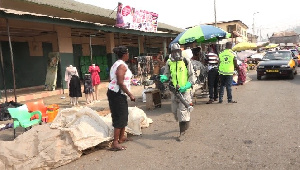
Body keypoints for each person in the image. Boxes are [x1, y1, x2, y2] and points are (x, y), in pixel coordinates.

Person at [160, 43, 196, 141]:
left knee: (182, 112)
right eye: (173, 52)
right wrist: (164, 78)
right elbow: (166, 74)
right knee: (175, 112)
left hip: (185, 91)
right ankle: (186, 121)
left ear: (180, 51)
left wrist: (186, 86)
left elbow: (192, 76)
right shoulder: (169, 62)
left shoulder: (186, 61)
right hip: (174, 91)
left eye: (177, 51)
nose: (176, 54)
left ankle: (182, 132)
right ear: (171, 52)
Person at [107, 46, 135, 151]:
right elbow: (120, 82)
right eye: (127, 54)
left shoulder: (116, 64)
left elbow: (111, 78)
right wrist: (130, 94)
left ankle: (122, 137)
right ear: (124, 55)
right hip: (117, 93)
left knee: (123, 114)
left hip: (116, 92)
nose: (128, 55)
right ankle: (115, 142)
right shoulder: (122, 66)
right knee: (119, 116)